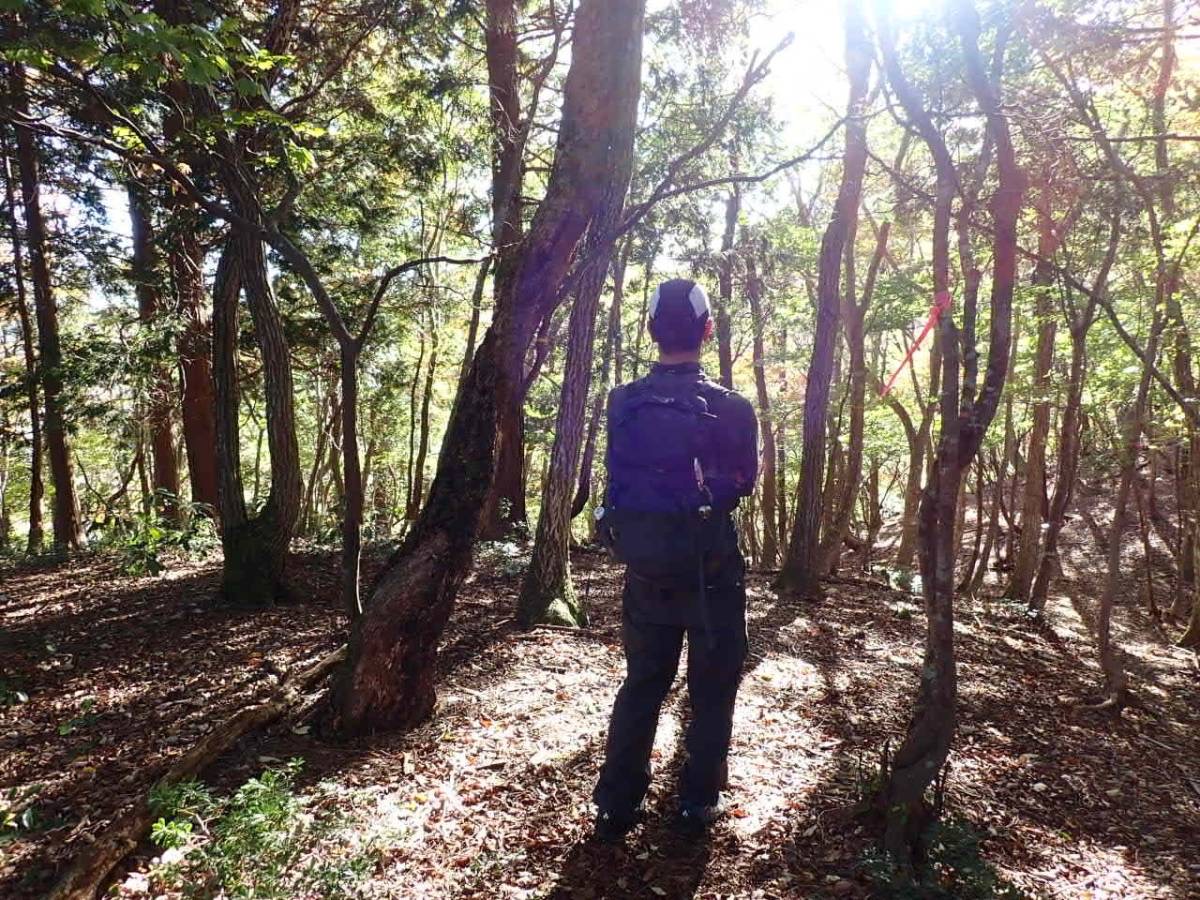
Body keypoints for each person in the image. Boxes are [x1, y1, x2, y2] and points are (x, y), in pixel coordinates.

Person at [592, 277, 758, 842]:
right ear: (708, 331)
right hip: (712, 571)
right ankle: (697, 801)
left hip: (646, 568)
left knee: (643, 683)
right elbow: (745, 482)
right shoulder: (733, 408)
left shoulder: (622, 402)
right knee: (711, 688)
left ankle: (616, 803)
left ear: (651, 331)